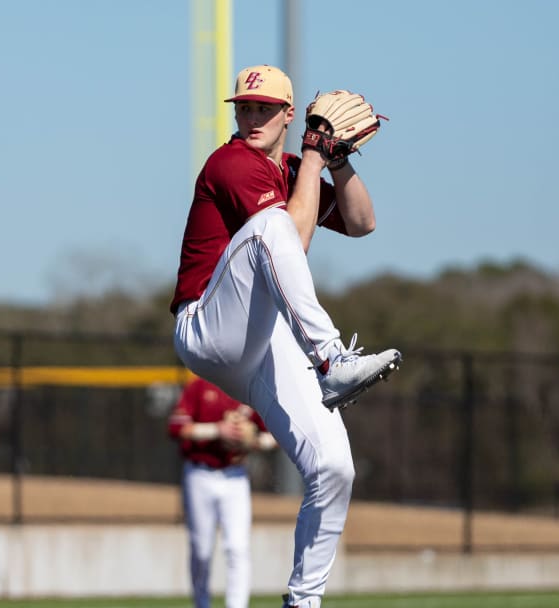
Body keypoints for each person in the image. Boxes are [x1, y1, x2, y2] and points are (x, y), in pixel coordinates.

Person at [171, 64, 401, 608]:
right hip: (207, 325)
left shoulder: (294, 169)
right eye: (244, 108)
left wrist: (336, 162)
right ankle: (330, 359)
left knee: (334, 467)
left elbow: (363, 221)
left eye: (264, 109)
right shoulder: (230, 162)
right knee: (272, 226)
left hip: (261, 341)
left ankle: (304, 600)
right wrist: (316, 158)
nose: (251, 117)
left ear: (288, 115)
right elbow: (289, 238)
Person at [168, 376, 277, 608]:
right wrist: (218, 430)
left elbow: (274, 435)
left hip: (235, 476)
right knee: (201, 550)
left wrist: (253, 440)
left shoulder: (247, 387)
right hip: (200, 474)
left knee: (237, 547)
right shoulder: (199, 386)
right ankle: (201, 603)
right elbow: (177, 427)